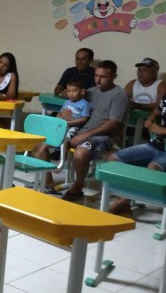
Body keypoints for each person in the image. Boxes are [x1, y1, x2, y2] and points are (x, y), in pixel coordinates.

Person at [35, 60, 128, 200]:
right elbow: (72, 106)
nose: (98, 80)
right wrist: (63, 113)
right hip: (78, 130)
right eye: (96, 75)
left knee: (80, 152)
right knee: (39, 145)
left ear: (114, 76)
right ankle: (48, 183)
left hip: (103, 136)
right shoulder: (90, 92)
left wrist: (85, 135)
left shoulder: (119, 95)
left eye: (103, 77)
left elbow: (114, 124)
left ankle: (77, 187)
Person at [107, 81, 166, 214]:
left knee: (152, 169)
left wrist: (161, 131)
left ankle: (120, 203)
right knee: (113, 159)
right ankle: (124, 203)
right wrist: (150, 118)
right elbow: (158, 110)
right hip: (153, 145)